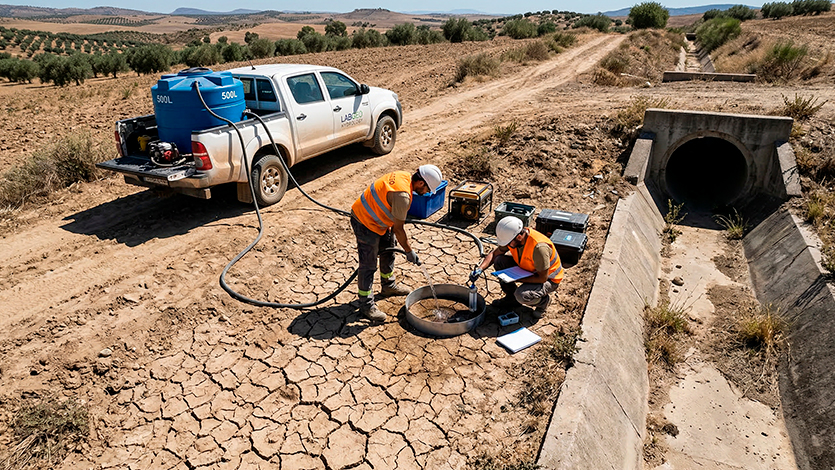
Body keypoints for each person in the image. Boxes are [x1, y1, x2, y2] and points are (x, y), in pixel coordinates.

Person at [351, 164, 444, 321]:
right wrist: (409, 251)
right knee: (368, 265)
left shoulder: (404, 176)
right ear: (421, 183)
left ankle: (388, 285)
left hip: (379, 219)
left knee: (389, 249)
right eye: (428, 189)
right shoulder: (402, 196)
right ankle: (366, 306)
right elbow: (399, 229)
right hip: (365, 221)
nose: (427, 193)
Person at [470, 216, 563, 318]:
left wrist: (515, 278)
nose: (507, 246)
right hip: (529, 269)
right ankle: (511, 298)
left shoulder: (539, 248)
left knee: (522, 295)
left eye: (508, 243)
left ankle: (543, 303)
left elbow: (542, 278)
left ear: (519, 237)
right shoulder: (514, 238)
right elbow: (496, 253)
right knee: (499, 261)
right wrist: (480, 268)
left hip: (549, 279)